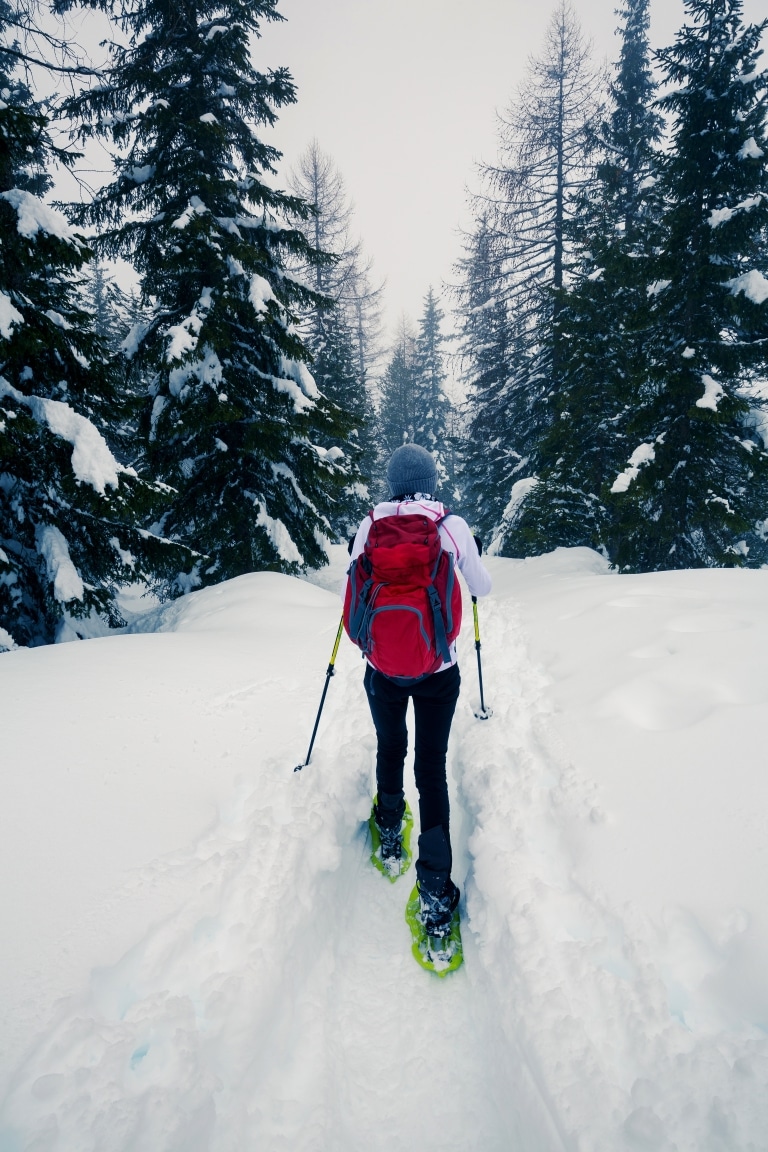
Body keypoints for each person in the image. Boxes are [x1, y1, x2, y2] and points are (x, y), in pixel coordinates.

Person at [344, 443, 492, 938]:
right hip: (438, 671)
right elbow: (482, 587)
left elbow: (354, 586)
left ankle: (389, 834)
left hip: (383, 668)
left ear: (391, 483)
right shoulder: (451, 526)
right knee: (430, 767)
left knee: (391, 747)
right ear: (430, 480)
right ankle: (434, 892)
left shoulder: (371, 524)